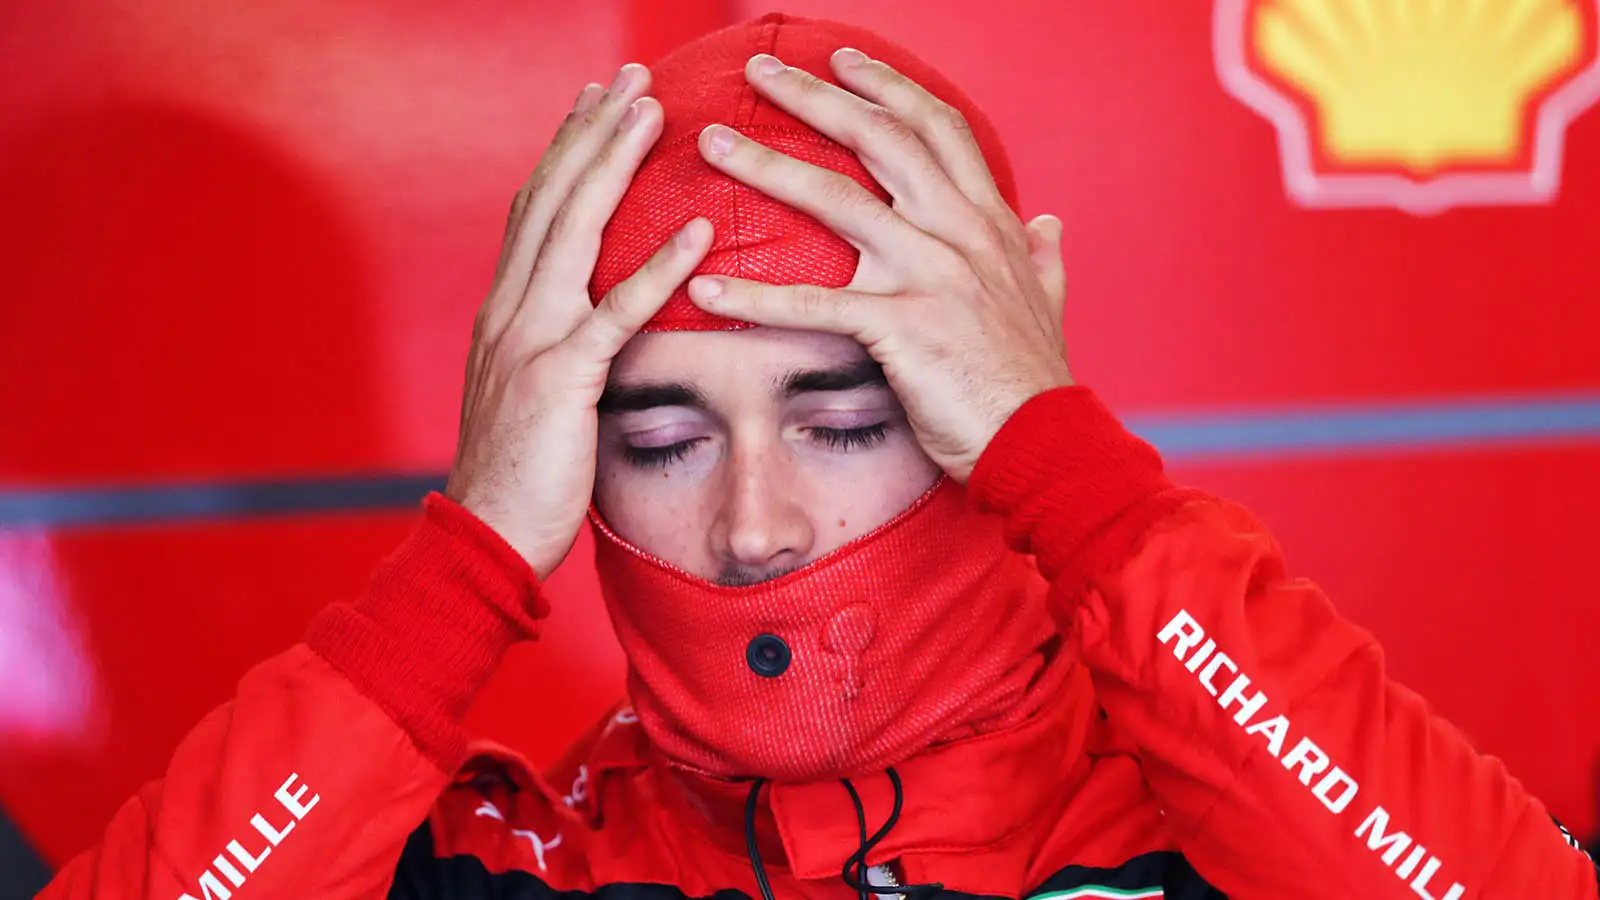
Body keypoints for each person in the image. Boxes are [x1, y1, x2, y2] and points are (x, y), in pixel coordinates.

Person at [35, 13, 1599, 900]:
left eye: (851, 417)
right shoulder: (504, 873)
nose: (755, 525)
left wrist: (1087, 486)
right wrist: (463, 569)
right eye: (655, 434)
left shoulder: (1220, 839)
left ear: (998, 404)